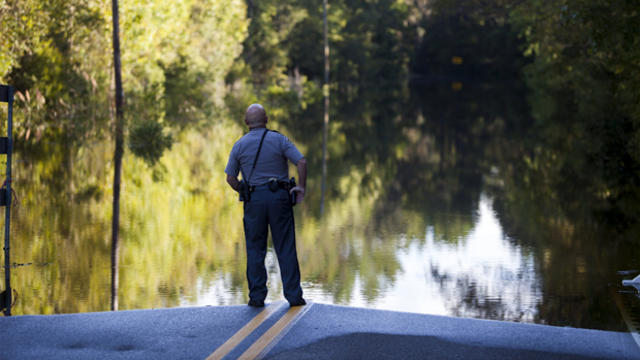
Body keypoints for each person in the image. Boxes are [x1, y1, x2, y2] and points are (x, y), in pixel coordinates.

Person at [225, 104, 307, 307]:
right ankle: (294, 296)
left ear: (246, 123)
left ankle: (257, 297)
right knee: (285, 247)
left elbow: (230, 178)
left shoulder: (239, 145)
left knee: (255, 249)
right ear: (267, 119)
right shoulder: (279, 139)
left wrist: (243, 190)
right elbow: (302, 162)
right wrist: (301, 188)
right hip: (279, 198)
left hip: (254, 200)